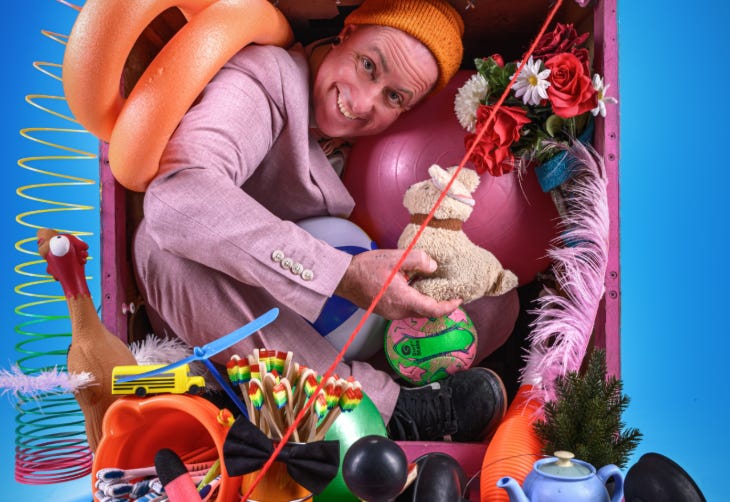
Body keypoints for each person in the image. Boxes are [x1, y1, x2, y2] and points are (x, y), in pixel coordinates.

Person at [133, 0, 516, 442]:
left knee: (498, 298)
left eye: (395, 97)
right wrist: (343, 275)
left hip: (349, 334)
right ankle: (389, 410)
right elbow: (178, 194)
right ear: (345, 34)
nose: (362, 100)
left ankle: (411, 380)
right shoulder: (265, 79)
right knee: (160, 248)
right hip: (229, 317)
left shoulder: (392, 144)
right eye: (368, 65)